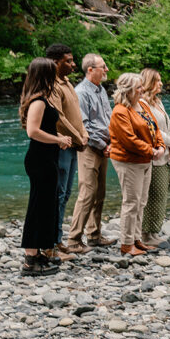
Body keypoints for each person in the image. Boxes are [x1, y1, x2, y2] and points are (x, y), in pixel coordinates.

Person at [19, 58, 72, 276]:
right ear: (45, 75)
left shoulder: (43, 98)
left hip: (46, 158)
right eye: (52, 72)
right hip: (40, 159)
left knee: (46, 206)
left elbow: (44, 127)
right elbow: (32, 132)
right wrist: (57, 140)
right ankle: (30, 261)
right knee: (38, 207)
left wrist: (58, 135)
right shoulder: (38, 101)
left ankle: (38, 251)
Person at [63, 53, 116, 253]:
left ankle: (94, 235)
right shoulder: (81, 93)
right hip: (89, 148)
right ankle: (74, 240)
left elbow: (107, 118)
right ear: (91, 70)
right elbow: (83, 126)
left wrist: (112, 141)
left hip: (104, 147)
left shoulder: (100, 89)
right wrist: (103, 145)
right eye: (103, 66)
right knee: (87, 194)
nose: (107, 70)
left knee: (100, 193)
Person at [109, 72, 166, 256]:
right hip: (128, 161)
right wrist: (152, 151)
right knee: (131, 202)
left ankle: (137, 239)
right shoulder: (120, 111)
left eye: (142, 86)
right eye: (138, 87)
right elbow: (129, 140)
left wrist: (161, 146)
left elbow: (155, 127)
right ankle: (126, 244)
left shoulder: (142, 104)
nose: (142, 90)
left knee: (141, 201)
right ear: (128, 90)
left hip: (145, 160)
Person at [45, 43, 88, 262]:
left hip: (73, 144)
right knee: (58, 194)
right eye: (68, 61)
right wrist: (78, 137)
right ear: (55, 63)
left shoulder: (68, 83)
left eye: (72, 60)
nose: (73, 65)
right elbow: (59, 119)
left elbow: (76, 115)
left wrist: (84, 133)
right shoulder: (52, 85)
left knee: (66, 194)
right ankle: (52, 241)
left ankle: (58, 240)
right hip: (62, 146)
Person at [139, 68, 170, 248]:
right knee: (154, 194)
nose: (161, 84)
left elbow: (168, 125)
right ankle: (146, 233)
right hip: (154, 155)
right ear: (148, 83)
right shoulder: (141, 104)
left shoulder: (157, 102)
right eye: (157, 81)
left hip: (165, 153)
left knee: (162, 192)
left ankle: (154, 230)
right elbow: (152, 129)